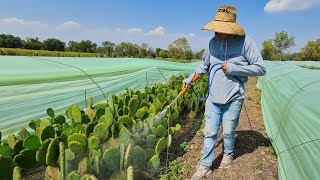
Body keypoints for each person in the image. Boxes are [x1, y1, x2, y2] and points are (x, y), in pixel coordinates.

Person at [182, 5, 266, 180]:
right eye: (215, 29)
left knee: (228, 131)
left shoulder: (246, 43)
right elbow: (204, 66)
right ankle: (205, 166)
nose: (215, 32)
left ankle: (228, 154)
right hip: (213, 97)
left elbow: (260, 68)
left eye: (220, 29)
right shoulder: (212, 43)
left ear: (231, 30)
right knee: (210, 133)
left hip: (234, 97)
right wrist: (190, 79)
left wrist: (234, 68)